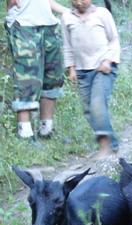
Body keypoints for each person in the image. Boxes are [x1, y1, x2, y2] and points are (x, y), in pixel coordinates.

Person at [62, 0, 120, 158]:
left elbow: (114, 40)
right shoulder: (67, 17)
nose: (79, 2)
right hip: (81, 70)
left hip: (103, 67)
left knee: (98, 105)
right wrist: (71, 68)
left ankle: (104, 147)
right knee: (89, 111)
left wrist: (108, 60)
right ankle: (112, 143)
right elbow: (67, 46)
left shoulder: (102, 14)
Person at [5, 0, 68, 139]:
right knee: (27, 79)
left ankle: (46, 129)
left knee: (53, 77)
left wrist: (67, 11)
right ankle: (25, 133)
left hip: (48, 24)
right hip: (23, 24)